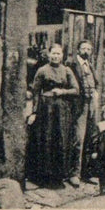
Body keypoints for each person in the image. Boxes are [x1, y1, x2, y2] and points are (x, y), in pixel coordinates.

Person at [25, 44, 80, 188]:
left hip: (62, 110)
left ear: (62, 55)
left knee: (61, 139)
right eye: (53, 53)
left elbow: (76, 90)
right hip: (46, 109)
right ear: (48, 55)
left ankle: (59, 176)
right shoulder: (42, 70)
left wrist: (62, 92)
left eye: (58, 54)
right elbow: (35, 91)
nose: (55, 56)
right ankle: (44, 177)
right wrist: (34, 112)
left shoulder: (67, 70)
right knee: (46, 139)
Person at [68, 39, 99, 186]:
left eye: (88, 49)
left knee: (90, 138)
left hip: (91, 105)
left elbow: (95, 83)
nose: (86, 51)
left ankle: (87, 173)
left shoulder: (90, 66)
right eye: (83, 48)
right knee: (78, 139)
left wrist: (95, 95)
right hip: (79, 106)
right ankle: (74, 173)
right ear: (78, 50)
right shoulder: (72, 65)